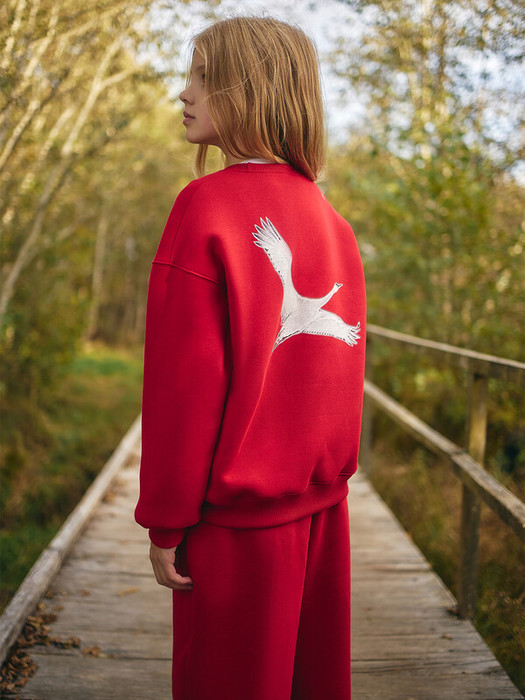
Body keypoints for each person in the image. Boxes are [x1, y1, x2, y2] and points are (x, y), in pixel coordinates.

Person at [135, 15, 366, 700]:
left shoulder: (205, 209)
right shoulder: (333, 223)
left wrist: (165, 520)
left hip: (234, 534)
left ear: (249, 90)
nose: (183, 92)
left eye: (202, 77)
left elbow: (185, 387)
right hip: (323, 520)